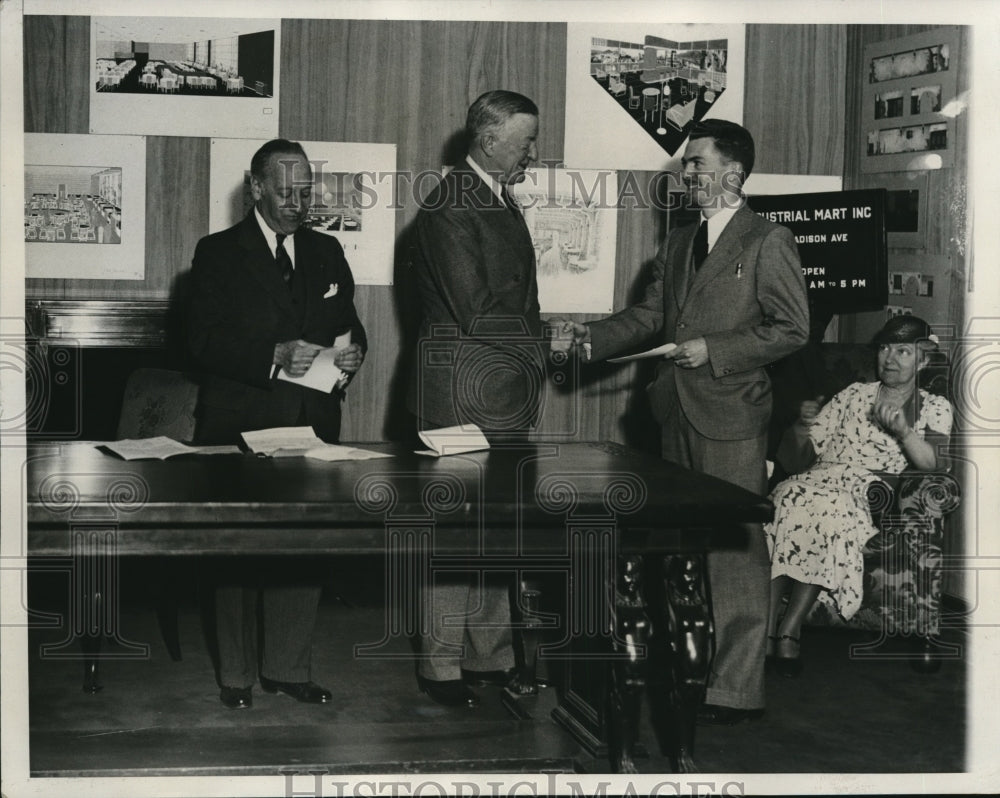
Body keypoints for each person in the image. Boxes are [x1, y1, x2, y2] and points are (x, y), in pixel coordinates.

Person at [553, 119, 809, 725]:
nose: (686, 174)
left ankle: (735, 689)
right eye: (686, 163)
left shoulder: (767, 240)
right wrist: (590, 337)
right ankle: (688, 669)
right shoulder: (676, 243)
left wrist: (716, 351)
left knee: (734, 551)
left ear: (733, 174)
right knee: (679, 551)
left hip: (731, 416)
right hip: (672, 412)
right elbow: (649, 315)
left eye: (696, 163)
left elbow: (792, 328)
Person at [187, 138, 367, 709]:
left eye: (306, 190)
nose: (298, 201)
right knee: (237, 552)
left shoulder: (327, 250)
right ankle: (235, 676)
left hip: (311, 423)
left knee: (302, 547)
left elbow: (348, 326)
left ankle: (289, 668)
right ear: (257, 187)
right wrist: (271, 353)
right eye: (286, 190)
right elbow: (200, 340)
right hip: (242, 423)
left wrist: (353, 355)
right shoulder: (217, 253)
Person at [406, 89, 545, 708]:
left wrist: (540, 346)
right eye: (526, 141)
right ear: (489, 141)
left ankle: (489, 658)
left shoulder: (496, 196)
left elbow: (520, 300)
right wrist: (551, 339)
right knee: (455, 538)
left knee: (496, 533)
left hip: (502, 391)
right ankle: (441, 668)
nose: (532, 152)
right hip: (459, 396)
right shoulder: (450, 205)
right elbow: (478, 311)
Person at [764, 315, 952, 676]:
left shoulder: (934, 406)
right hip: (819, 478)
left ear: (923, 360)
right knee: (785, 497)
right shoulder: (853, 394)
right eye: (884, 349)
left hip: (871, 491)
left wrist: (904, 432)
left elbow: (933, 465)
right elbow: (796, 458)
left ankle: (788, 632)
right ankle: (767, 628)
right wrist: (802, 427)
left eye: (903, 351)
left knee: (824, 506)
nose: (891, 358)